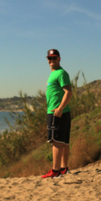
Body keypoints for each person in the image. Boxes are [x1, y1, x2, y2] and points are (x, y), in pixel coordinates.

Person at [42, 49, 73, 179]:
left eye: (54, 58)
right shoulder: (54, 74)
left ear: (59, 59)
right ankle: (64, 168)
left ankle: (55, 170)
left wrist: (60, 108)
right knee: (64, 142)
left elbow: (68, 92)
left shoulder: (61, 73)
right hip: (61, 112)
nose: (51, 60)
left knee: (56, 141)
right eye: (49, 58)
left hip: (57, 112)